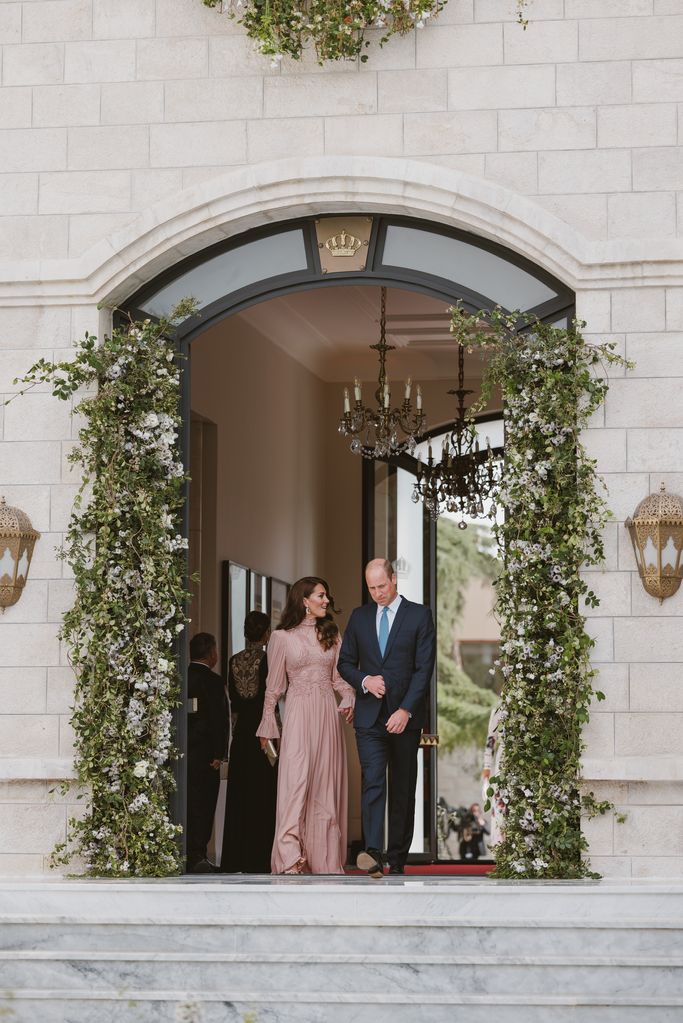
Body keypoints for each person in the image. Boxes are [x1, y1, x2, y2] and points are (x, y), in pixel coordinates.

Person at [338, 558, 436, 878]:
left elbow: (424, 670)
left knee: (402, 789)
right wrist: (365, 681)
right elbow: (345, 663)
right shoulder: (359, 617)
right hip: (369, 718)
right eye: (372, 588)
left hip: (404, 717)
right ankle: (375, 853)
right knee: (374, 783)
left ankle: (396, 857)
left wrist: (406, 710)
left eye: (382, 585)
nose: (378, 593)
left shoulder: (419, 616)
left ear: (394, 579)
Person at [256, 577, 355, 875]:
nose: (326, 601)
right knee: (295, 782)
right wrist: (267, 725)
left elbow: (339, 679)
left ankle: (323, 859)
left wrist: (349, 696)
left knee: (324, 786)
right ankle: (289, 856)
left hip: (326, 715)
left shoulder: (332, 634)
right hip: (298, 714)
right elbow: (273, 688)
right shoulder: (281, 638)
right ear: (305, 601)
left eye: (326, 596)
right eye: (321, 596)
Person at [220, 610, 277, 874]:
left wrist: (235, 734)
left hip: (242, 734)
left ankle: (236, 858)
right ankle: (259, 857)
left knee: (239, 796)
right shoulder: (269, 660)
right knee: (264, 795)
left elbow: (234, 707)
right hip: (264, 735)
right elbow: (272, 703)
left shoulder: (233, 661)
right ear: (266, 633)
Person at [186, 632, 230, 873]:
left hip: (184, 754)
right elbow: (219, 719)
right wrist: (220, 752)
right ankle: (197, 854)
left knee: (187, 803)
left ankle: (186, 852)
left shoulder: (182, 677)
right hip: (205, 755)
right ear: (212, 654)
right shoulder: (213, 682)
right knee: (204, 805)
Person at [482, 700, 505, 849]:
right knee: (501, 804)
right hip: (503, 761)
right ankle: (501, 850)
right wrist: (486, 775)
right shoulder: (498, 708)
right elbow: (490, 741)